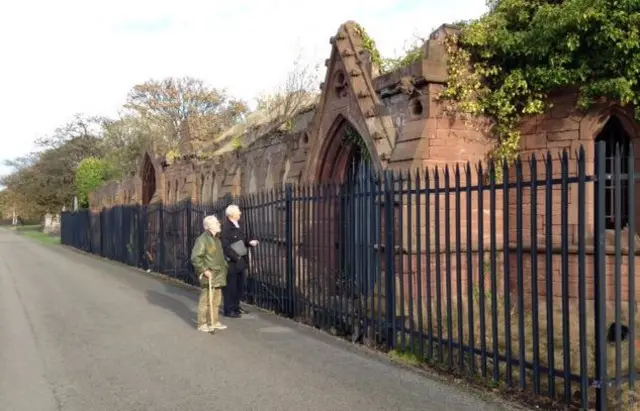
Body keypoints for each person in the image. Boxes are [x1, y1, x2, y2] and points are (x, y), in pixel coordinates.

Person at [190, 215, 228, 332]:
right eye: (216, 223)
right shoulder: (202, 239)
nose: (219, 224)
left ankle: (214, 321)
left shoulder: (216, 239)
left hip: (219, 274)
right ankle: (202, 323)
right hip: (210, 274)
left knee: (216, 300)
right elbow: (196, 257)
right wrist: (204, 270)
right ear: (209, 226)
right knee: (205, 301)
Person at [221, 204, 258, 317]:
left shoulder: (239, 225)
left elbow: (241, 241)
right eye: (238, 211)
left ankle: (236, 307)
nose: (240, 213)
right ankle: (229, 309)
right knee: (230, 286)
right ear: (231, 214)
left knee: (239, 286)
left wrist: (249, 243)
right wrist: (236, 258)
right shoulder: (226, 228)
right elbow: (226, 247)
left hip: (241, 260)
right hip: (232, 262)